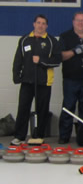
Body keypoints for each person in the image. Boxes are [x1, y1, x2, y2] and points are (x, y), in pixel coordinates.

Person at [11, 14, 61, 145]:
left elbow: (57, 61)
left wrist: (41, 61)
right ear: (34, 24)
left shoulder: (51, 41)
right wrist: (17, 76)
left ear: (47, 26)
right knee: (23, 108)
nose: (41, 25)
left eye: (43, 23)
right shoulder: (25, 40)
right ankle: (19, 136)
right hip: (27, 81)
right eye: (38, 23)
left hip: (44, 82)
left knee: (42, 110)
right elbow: (18, 60)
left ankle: (38, 136)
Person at [57, 11, 83, 144]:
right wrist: (75, 51)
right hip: (70, 78)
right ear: (73, 21)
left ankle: (82, 137)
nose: (80, 23)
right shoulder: (65, 36)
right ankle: (64, 136)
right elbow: (61, 56)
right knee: (68, 107)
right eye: (78, 20)